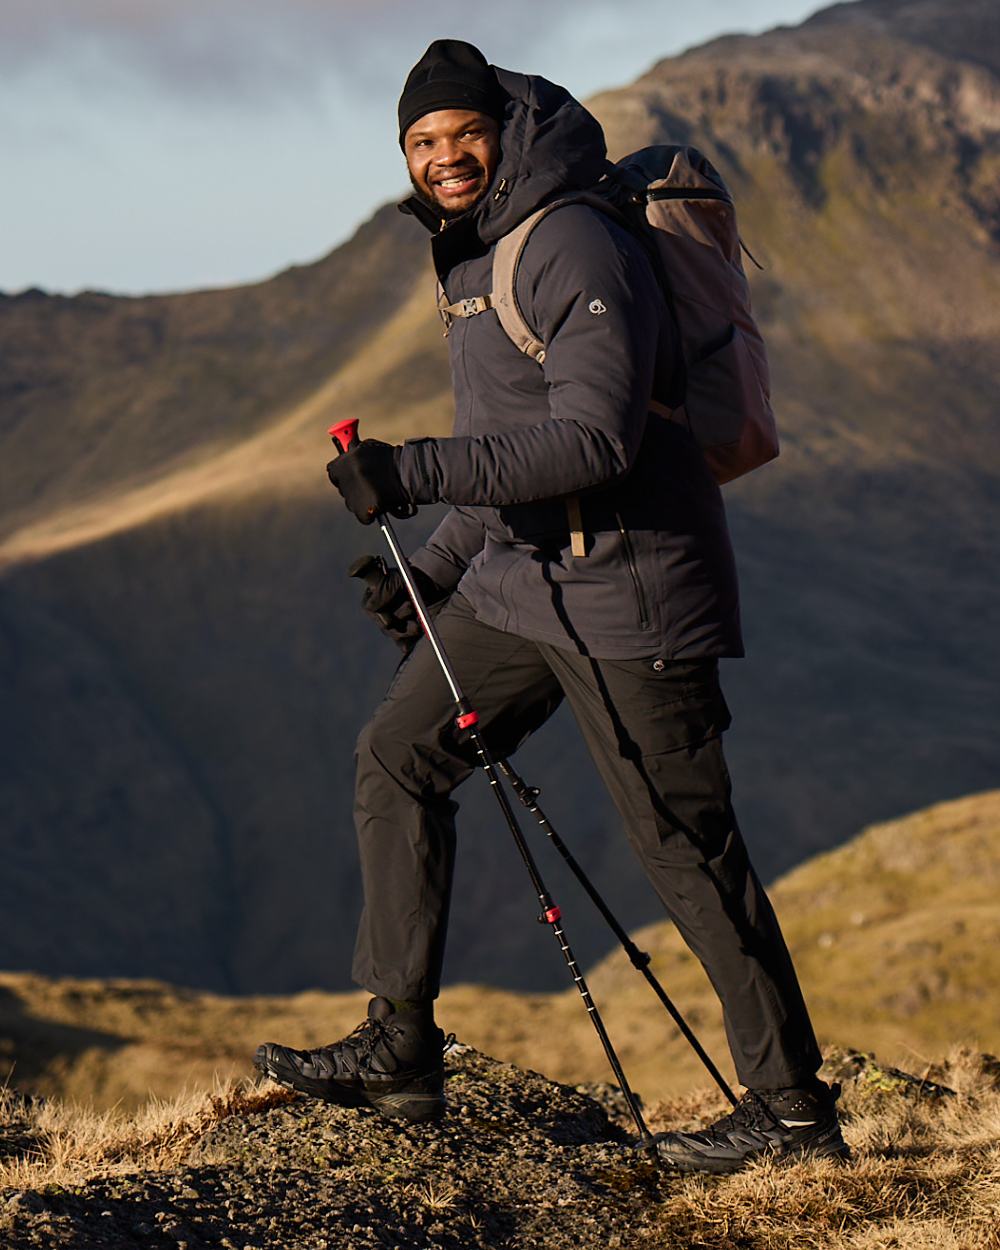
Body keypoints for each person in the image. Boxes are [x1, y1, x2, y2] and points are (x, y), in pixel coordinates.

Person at [255, 39, 847, 1174]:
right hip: (524, 587)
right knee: (398, 755)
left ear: (502, 127)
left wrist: (413, 470)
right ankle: (398, 1047)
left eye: (457, 133)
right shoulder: (470, 254)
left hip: (632, 594)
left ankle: (791, 1115)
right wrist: (433, 565)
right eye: (420, 143)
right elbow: (508, 451)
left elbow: (593, 439)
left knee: (684, 848)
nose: (441, 157)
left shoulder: (569, 235)